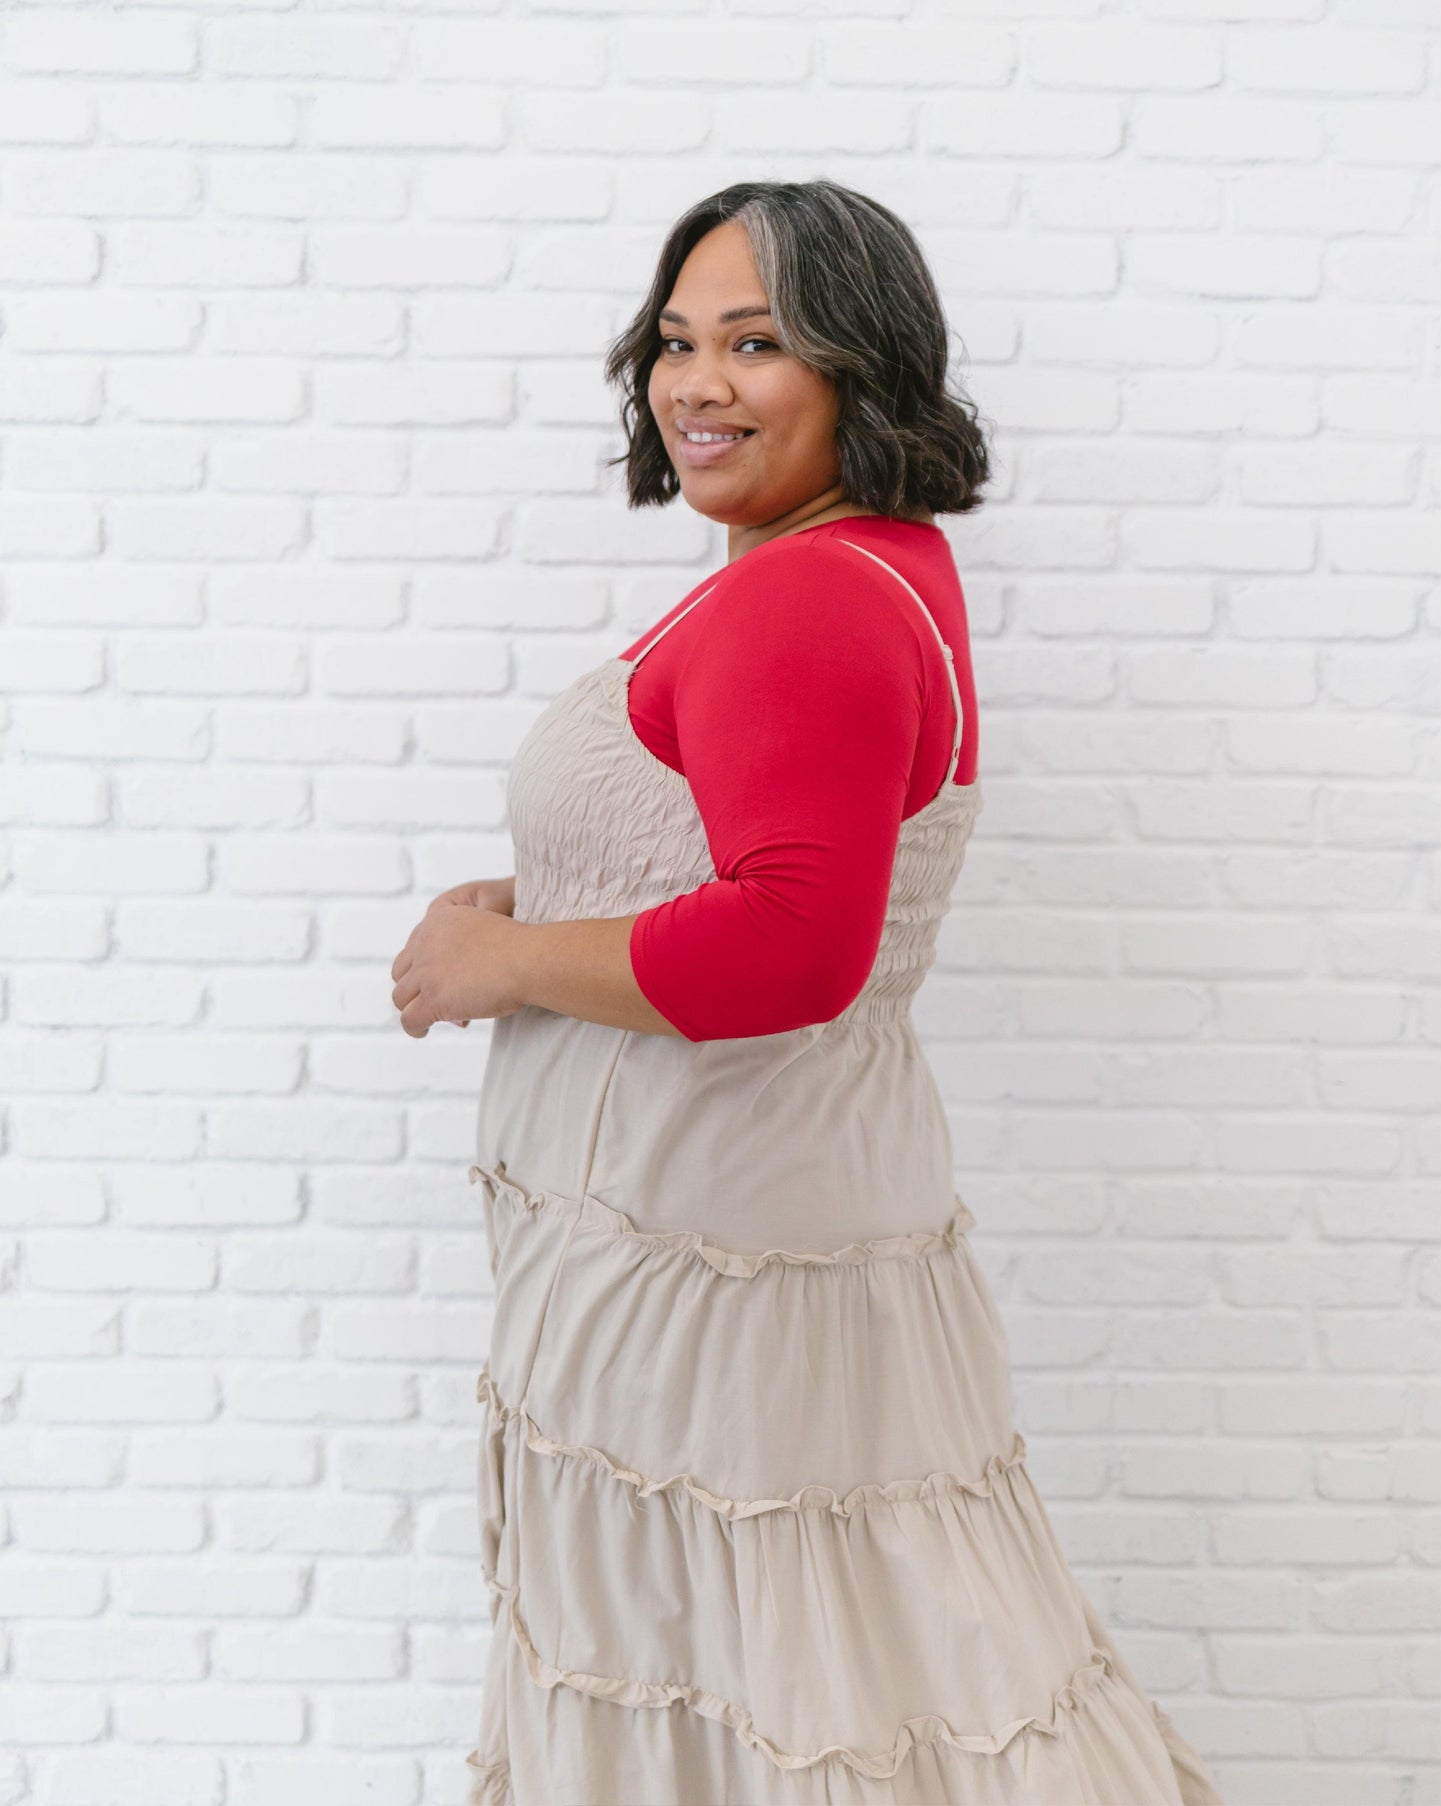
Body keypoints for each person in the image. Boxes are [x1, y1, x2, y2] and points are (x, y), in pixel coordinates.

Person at [390, 179, 1225, 1806]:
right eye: (677, 341)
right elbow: (765, 859)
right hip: (750, 1205)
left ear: (862, 365)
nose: (696, 382)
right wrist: (548, 901)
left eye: (757, 342)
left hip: (702, 1243)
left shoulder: (809, 594)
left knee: (746, 1658)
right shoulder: (856, 564)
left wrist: (498, 959)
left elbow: (789, 940)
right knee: (831, 1656)